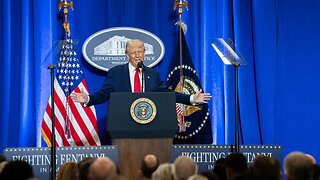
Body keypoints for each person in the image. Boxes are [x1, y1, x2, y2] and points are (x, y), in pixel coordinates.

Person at [71, 39, 211, 106]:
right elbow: (103, 94)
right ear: (127, 55)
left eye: (140, 52)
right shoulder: (116, 73)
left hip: (148, 123)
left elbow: (167, 94)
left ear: (144, 53)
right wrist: (88, 99)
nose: (137, 56)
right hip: (123, 125)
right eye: (133, 53)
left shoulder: (152, 74)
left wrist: (191, 98)